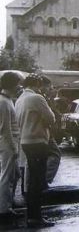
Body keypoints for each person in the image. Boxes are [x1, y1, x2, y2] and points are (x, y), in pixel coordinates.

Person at [15, 74, 55, 228]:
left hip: (25, 140)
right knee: (37, 181)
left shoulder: (20, 99)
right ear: (37, 85)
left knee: (33, 179)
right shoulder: (36, 98)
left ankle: (33, 214)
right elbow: (51, 118)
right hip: (37, 141)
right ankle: (35, 217)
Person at [0, 72, 22, 224]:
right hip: (9, 142)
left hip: (11, 141)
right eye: (17, 83)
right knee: (7, 176)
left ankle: (9, 202)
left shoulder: (7, 100)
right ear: (11, 85)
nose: (19, 86)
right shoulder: (4, 102)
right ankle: (3, 208)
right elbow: (6, 128)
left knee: (15, 175)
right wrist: (14, 148)